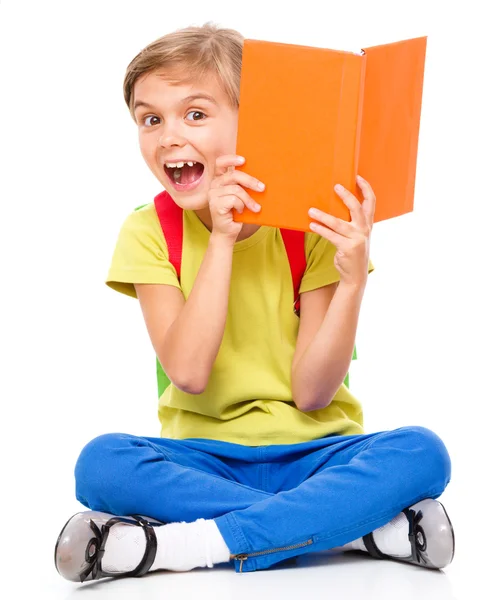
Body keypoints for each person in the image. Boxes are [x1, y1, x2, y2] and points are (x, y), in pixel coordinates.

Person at [54, 23, 454, 583]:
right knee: (102, 464)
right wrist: (219, 240)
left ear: (256, 122)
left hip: (318, 457)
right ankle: (357, 530)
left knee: (423, 453)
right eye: (151, 119)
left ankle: (179, 545)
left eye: (195, 114)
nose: (169, 135)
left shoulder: (309, 228)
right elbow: (188, 373)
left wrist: (351, 283)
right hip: (203, 459)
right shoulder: (148, 232)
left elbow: (313, 394)